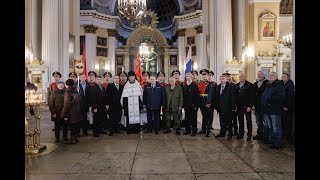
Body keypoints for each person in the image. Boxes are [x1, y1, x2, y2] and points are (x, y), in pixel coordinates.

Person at [261, 72, 285, 149]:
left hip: (274, 109)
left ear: (276, 77)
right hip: (267, 109)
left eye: (272, 75)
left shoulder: (279, 85)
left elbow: (281, 97)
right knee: (270, 126)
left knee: (276, 127)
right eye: (270, 75)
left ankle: (278, 143)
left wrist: (269, 99)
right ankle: (272, 140)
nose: (270, 77)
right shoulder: (269, 84)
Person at [234, 73, 254, 141]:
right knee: (240, 120)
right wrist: (235, 106)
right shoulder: (236, 85)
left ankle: (249, 135)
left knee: (248, 120)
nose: (241, 77)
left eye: (242, 76)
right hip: (239, 106)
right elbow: (235, 97)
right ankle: (241, 134)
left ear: (245, 77)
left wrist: (250, 106)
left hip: (247, 106)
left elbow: (252, 97)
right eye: (240, 76)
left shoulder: (250, 85)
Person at [214, 75, 236, 140]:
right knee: (222, 122)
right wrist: (216, 106)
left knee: (229, 122)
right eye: (220, 79)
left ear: (226, 80)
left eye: (223, 79)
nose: (221, 80)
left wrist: (233, 107)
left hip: (228, 107)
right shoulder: (218, 87)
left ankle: (230, 134)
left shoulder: (230, 87)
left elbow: (233, 98)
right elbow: (216, 97)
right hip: (220, 107)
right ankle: (222, 133)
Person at [61, 79, 83, 144]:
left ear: (67, 85)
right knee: (75, 126)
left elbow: (66, 104)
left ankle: (72, 140)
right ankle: (75, 138)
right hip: (77, 112)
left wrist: (65, 115)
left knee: (72, 126)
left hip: (71, 113)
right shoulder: (76, 91)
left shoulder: (67, 92)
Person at [253, 71, 269, 140]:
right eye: (258, 74)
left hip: (264, 106)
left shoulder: (267, 83)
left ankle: (265, 136)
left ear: (264, 75)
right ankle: (259, 134)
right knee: (258, 121)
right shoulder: (255, 83)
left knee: (265, 122)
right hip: (257, 106)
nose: (259, 75)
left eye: (260, 74)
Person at [198, 69, 214, 137]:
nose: (204, 76)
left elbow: (210, 94)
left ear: (208, 75)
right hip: (201, 101)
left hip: (207, 101)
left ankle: (208, 130)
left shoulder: (210, 84)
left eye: (205, 74)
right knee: (203, 115)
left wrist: (209, 102)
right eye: (203, 74)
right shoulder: (200, 83)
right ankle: (203, 129)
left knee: (208, 116)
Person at [281, 73, 295, 142]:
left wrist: (286, 106)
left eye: (284, 77)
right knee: (284, 121)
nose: (283, 78)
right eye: (282, 76)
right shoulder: (284, 84)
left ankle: (288, 136)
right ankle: (285, 135)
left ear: (288, 77)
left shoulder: (290, 84)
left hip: (287, 107)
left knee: (288, 122)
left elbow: (289, 97)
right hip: (283, 106)